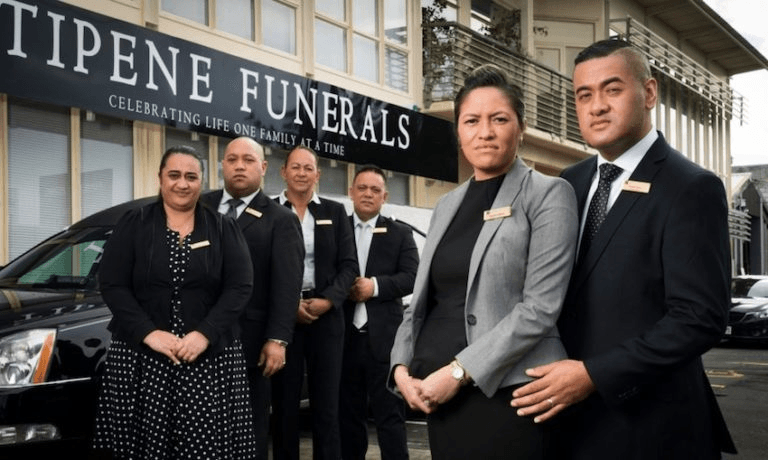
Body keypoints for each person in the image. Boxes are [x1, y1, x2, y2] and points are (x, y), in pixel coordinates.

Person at [510, 38, 737, 459]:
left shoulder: (691, 187)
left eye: (612, 90)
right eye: (584, 95)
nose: (596, 106)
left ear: (649, 93)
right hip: (568, 425)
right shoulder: (568, 183)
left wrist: (594, 375)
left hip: (652, 429)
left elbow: (699, 318)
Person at [389, 64, 578, 460]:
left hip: (513, 393)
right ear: (459, 132)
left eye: (499, 119)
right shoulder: (446, 205)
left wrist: (458, 372)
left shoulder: (548, 193)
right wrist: (400, 368)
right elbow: (421, 302)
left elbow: (540, 308)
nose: (485, 131)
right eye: (472, 121)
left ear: (521, 127)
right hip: (440, 397)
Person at [92, 145, 256, 459]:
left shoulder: (224, 228)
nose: (182, 184)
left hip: (208, 358)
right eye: (174, 175)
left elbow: (240, 287)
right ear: (160, 178)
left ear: (201, 181)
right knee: (143, 446)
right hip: (142, 356)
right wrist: (148, 332)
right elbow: (112, 284)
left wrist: (205, 333)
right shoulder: (133, 223)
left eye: (191, 177)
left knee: (203, 446)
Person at [202, 136, 305, 460]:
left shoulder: (281, 219)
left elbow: (287, 286)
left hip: (250, 344)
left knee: (248, 433)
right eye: (232, 159)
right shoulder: (199, 207)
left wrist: (278, 339)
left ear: (263, 167)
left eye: (248, 160)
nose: (239, 166)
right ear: (222, 165)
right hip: (196, 341)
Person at [270, 145, 359, 460]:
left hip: (327, 320)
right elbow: (259, 265)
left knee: (326, 406)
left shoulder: (335, 212)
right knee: (284, 404)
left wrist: (328, 301)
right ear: (283, 171)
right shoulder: (269, 210)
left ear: (318, 175)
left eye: (308, 168)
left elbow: (349, 266)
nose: (301, 173)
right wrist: (288, 304)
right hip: (283, 320)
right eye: (295, 167)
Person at [340, 165, 419, 460]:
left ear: (384, 196)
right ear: (351, 192)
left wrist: (373, 287)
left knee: (390, 416)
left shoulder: (400, 233)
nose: (368, 194)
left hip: (386, 342)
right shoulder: (335, 229)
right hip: (343, 338)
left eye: (375, 190)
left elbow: (413, 276)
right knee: (348, 417)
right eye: (362, 188)